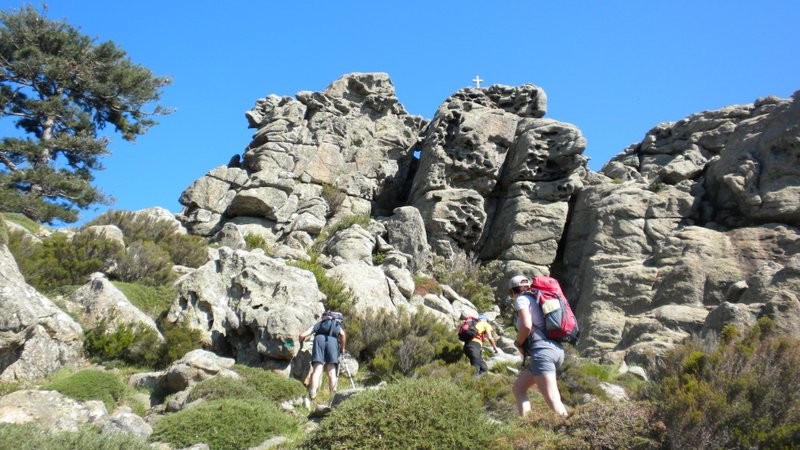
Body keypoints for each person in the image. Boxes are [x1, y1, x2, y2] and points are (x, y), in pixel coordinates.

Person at [509, 275, 568, 417]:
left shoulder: (521, 299)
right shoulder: (538, 299)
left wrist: (518, 343)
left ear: (512, 291)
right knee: (519, 388)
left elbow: (527, 326)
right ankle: (527, 425)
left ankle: (571, 430)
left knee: (553, 399)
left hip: (542, 352)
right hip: (556, 350)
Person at [298, 311, 346, 401]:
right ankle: (333, 397)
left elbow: (302, 335)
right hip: (333, 343)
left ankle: (312, 393)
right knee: (332, 372)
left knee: (317, 370)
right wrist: (342, 348)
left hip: (319, 340)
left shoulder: (320, 324)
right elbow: (342, 334)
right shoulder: (337, 325)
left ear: (324, 317)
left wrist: (300, 341)